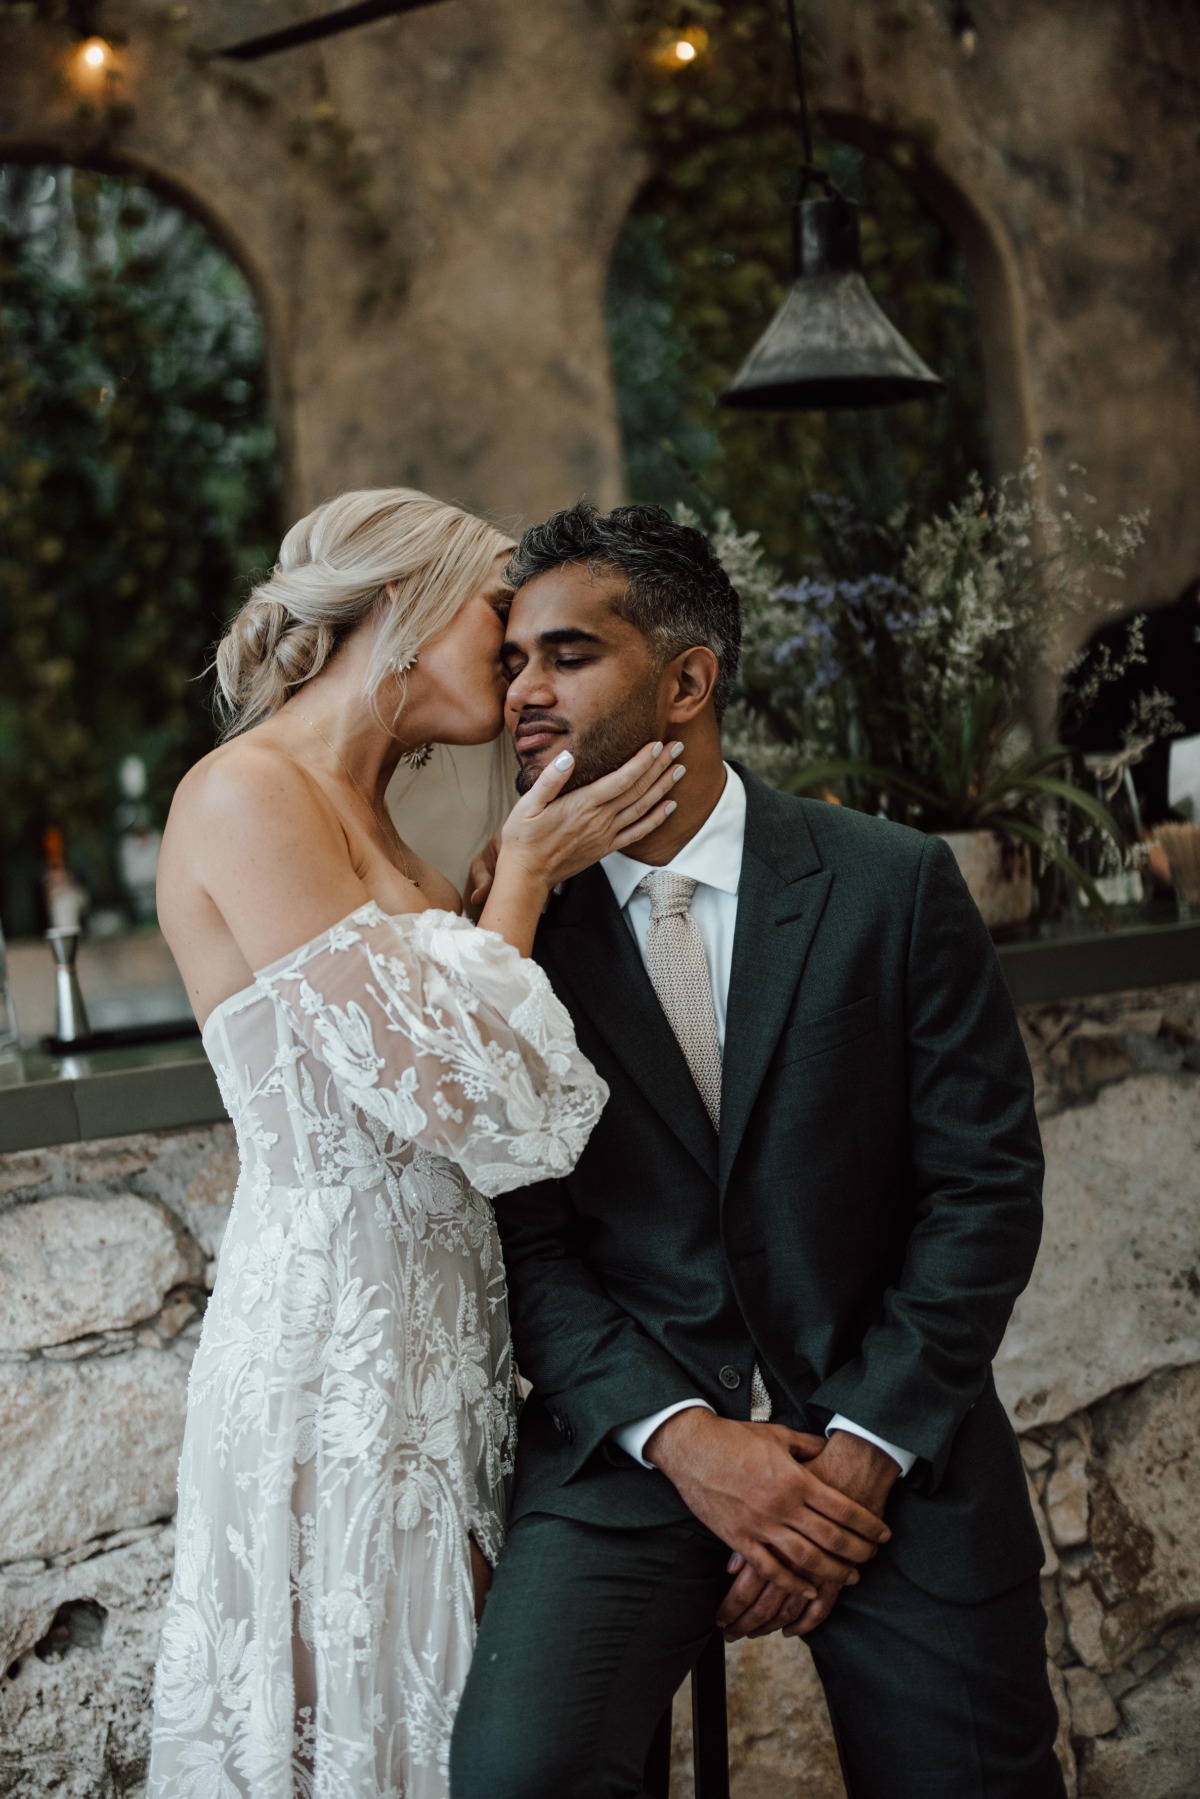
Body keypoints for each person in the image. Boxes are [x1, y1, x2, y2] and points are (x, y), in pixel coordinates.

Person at [451, 502, 1065, 1799]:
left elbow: (984, 1193)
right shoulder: (511, 934)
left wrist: (854, 1456)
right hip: (632, 1455)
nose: (523, 691)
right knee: (520, 1775)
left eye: (566, 656)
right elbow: (527, 1245)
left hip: (893, 1447)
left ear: (689, 680)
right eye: (512, 661)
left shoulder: (890, 882)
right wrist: (681, 1437)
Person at [146, 488, 686, 1799]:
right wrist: (524, 879)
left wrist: (502, 869)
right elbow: (446, 1094)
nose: (514, 682)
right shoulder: (246, 798)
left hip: (445, 1341)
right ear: (403, 605)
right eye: (499, 636)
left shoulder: (382, 820)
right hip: (335, 1346)